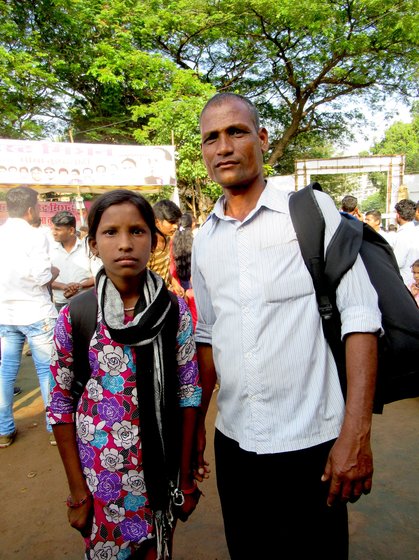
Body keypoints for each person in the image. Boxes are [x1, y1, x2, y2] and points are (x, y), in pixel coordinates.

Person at [191, 93, 382, 560]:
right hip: (235, 443)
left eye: (236, 132)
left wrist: (355, 433)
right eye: (211, 138)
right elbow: (209, 338)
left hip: (312, 443)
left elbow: (360, 318)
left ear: (262, 138)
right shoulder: (204, 240)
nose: (224, 147)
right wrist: (195, 429)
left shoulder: (312, 213)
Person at [47, 190, 201, 560]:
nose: (125, 243)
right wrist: (78, 493)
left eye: (137, 231)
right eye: (111, 233)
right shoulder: (77, 315)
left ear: (155, 240)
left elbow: (189, 393)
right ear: (94, 245)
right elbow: (60, 406)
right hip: (103, 482)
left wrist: (186, 478)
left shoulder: (173, 311)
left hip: (160, 475)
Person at [0, 186, 59, 448]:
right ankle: (53, 426)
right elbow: (42, 276)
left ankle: (4, 430)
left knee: (6, 373)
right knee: (47, 371)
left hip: (6, 313)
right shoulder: (36, 236)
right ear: (30, 209)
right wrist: (54, 271)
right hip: (36, 312)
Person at [50, 210, 95, 312]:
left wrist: (80, 286)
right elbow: (43, 278)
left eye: (57, 229)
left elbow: (97, 276)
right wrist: (64, 287)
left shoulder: (88, 248)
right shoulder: (49, 250)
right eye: (53, 229)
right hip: (60, 305)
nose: (54, 233)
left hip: (86, 302)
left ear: (71, 230)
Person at [148, 200, 183, 295]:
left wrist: (174, 283)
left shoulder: (167, 239)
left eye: (177, 222)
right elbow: (144, 281)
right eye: (171, 222)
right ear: (157, 222)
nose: (175, 226)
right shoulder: (148, 246)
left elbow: (164, 270)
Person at [170, 213, 197, 330]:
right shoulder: (195, 241)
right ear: (192, 224)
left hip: (179, 282)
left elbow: (172, 265)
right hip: (193, 280)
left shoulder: (172, 241)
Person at [392, 199, 419, 286]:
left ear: (398, 215)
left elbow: (398, 262)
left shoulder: (402, 235)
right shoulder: (416, 231)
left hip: (406, 281)